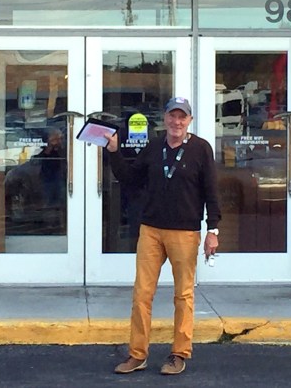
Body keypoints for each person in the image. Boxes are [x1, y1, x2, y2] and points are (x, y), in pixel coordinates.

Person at [102, 97, 221, 376]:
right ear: (165, 118)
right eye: (172, 116)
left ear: (189, 120)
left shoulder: (201, 149)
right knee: (142, 294)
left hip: (185, 232)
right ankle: (137, 354)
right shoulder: (154, 147)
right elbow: (130, 179)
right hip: (151, 230)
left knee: (183, 295)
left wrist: (212, 230)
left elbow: (211, 191)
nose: (176, 122)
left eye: (182, 117)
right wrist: (114, 152)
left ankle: (179, 354)